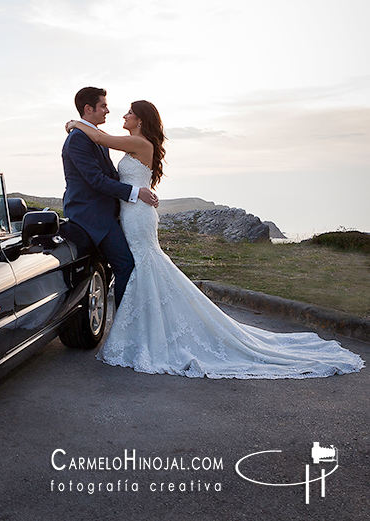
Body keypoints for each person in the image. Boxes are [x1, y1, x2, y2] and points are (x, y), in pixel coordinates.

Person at [66, 100, 364, 378]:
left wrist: (75, 123)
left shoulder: (138, 142)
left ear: (141, 120)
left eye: (129, 113)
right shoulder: (136, 145)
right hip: (133, 213)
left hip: (139, 215)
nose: (123, 116)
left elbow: (101, 139)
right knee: (144, 268)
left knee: (144, 265)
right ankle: (142, 330)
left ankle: (137, 332)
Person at [60, 87, 159, 305]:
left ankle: (130, 318)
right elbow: (96, 180)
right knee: (125, 264)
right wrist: (136, 192)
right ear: (88, 109)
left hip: (115, 212)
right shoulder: (79, 139)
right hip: (92, 215)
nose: (108, 110)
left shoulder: (95, 136)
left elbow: (112, 174)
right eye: (103, 106)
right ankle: (125, 322)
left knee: (128, 264)